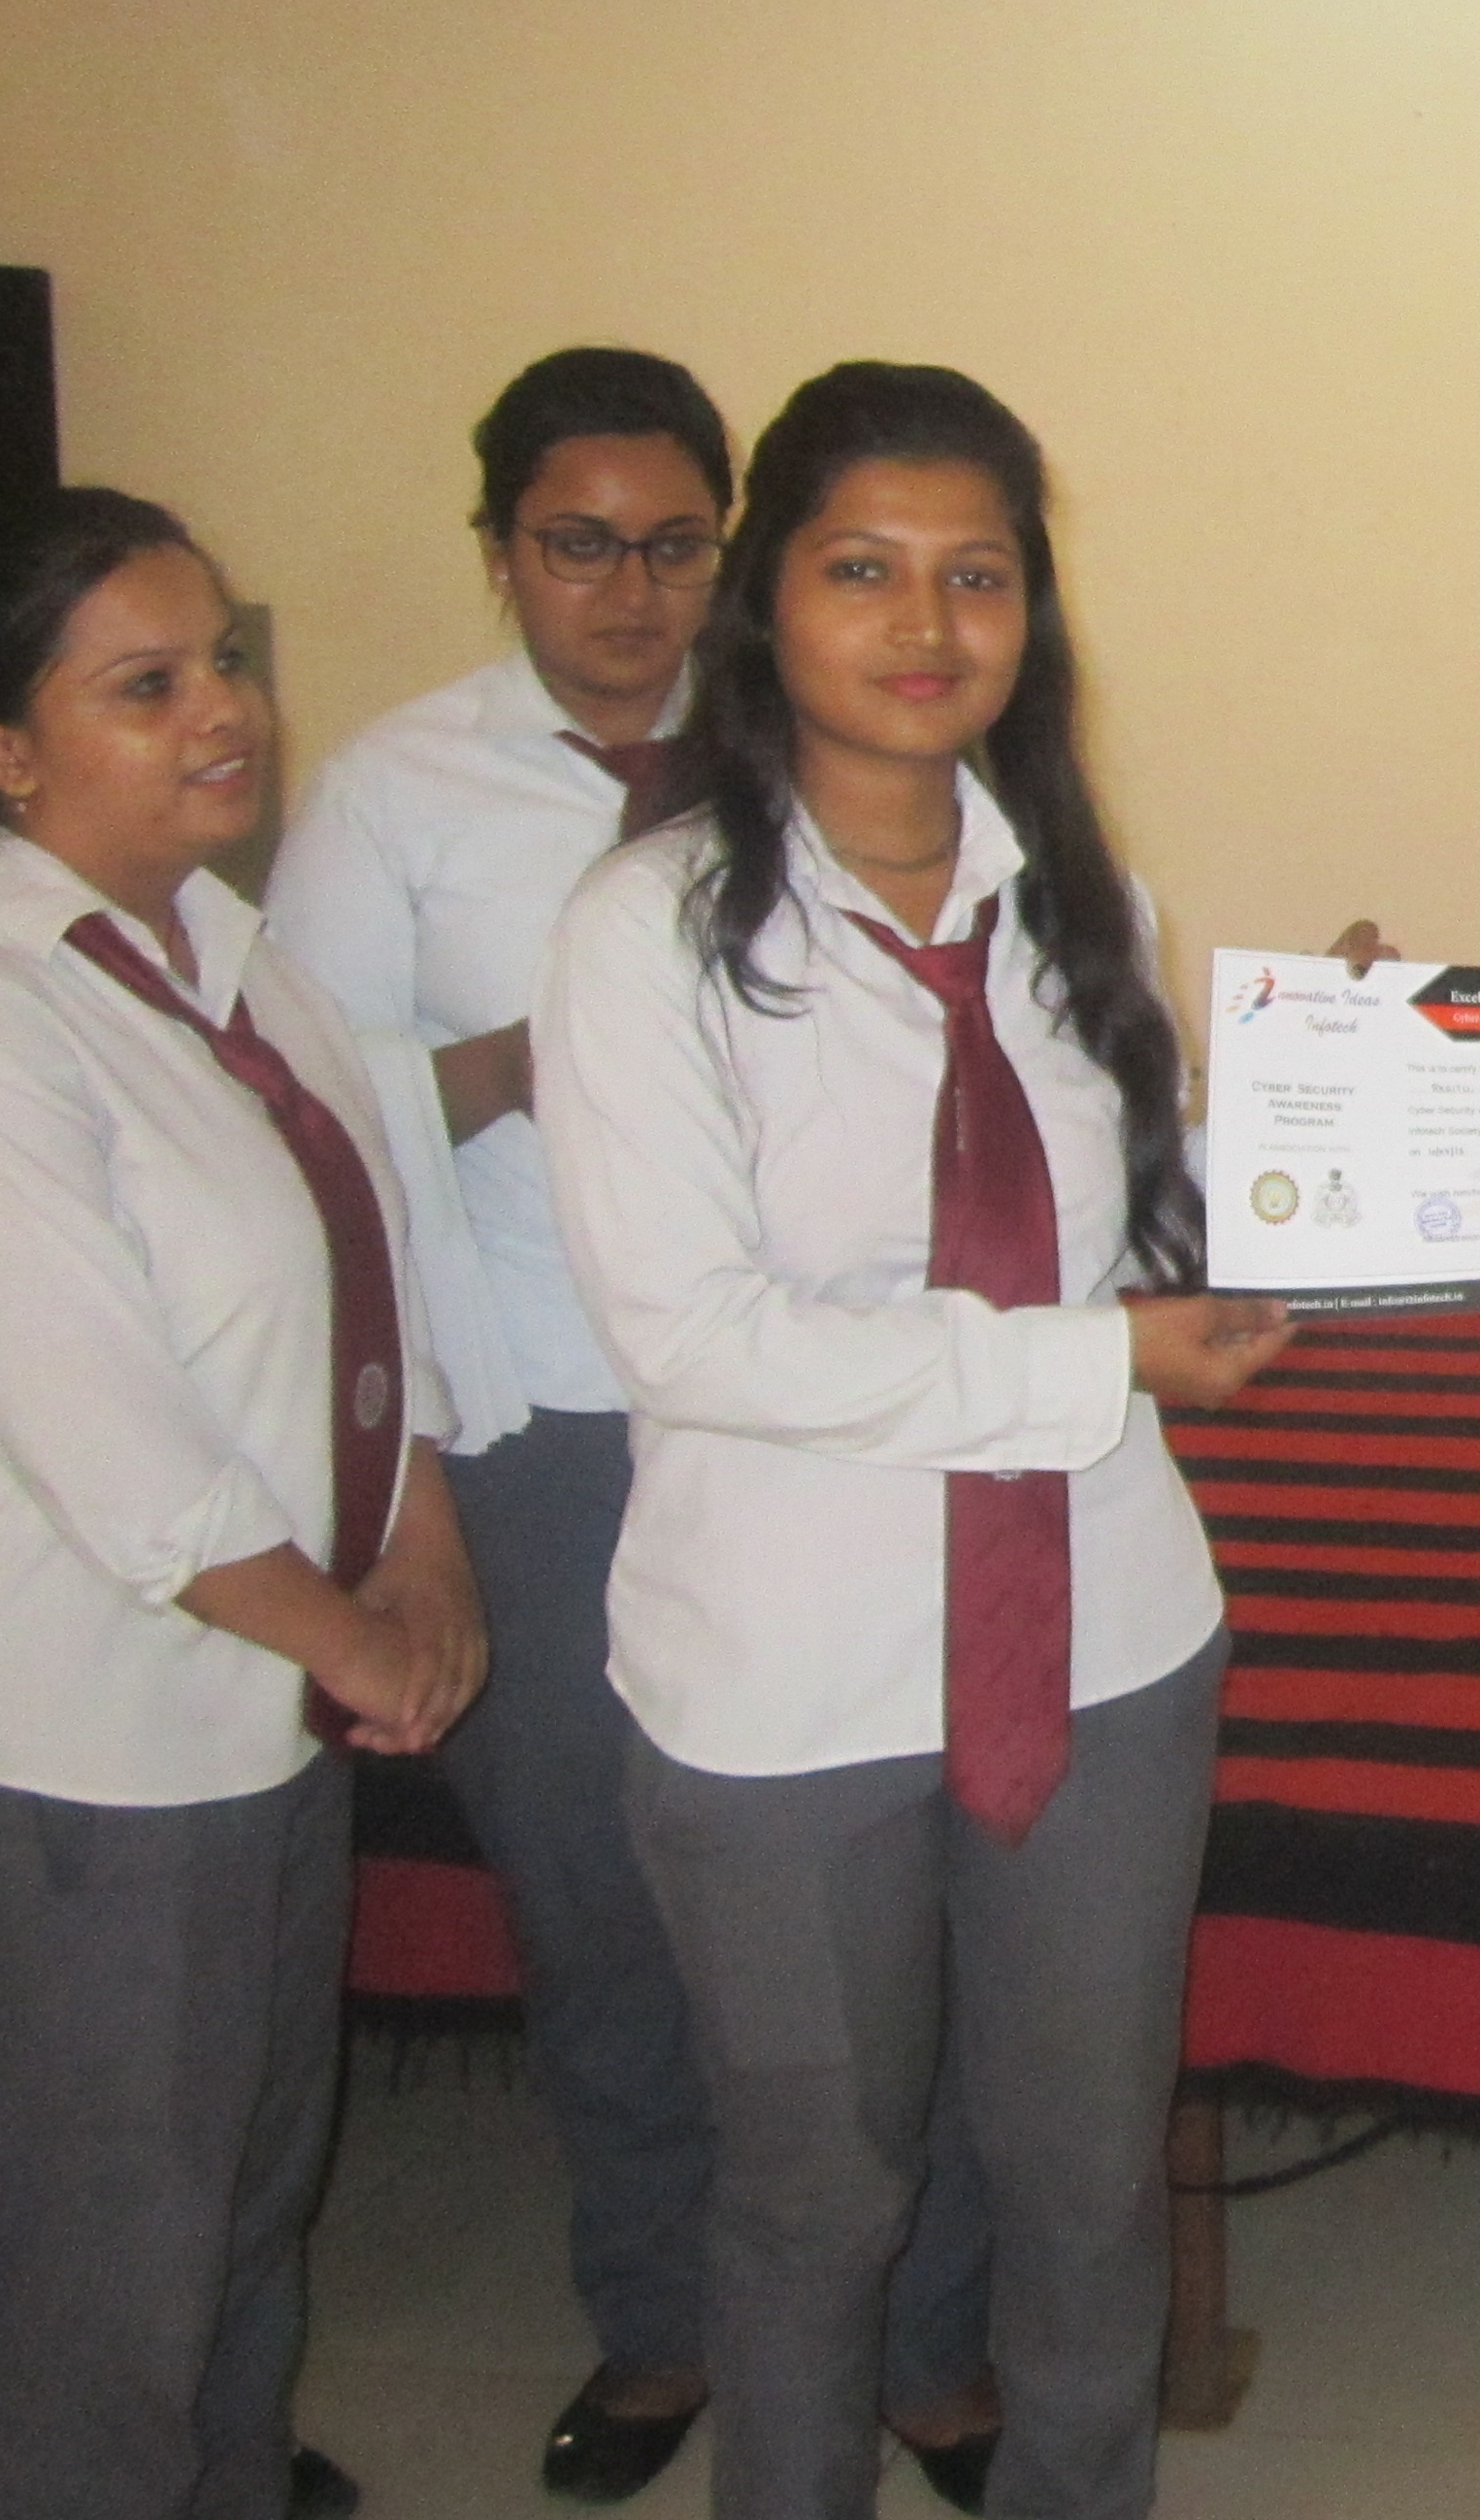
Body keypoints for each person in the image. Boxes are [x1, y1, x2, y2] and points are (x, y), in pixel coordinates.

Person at [532, 363, 1293, 2520]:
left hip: (1107, 1643)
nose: (927, 624)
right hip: (788, 1678)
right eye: (863, 569)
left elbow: (1139, 1228)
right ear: (764, 599)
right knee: (815, 2203)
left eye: (979, 575)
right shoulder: (647, 932)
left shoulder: (1082, 902)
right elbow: (694, 1335)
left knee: (1085, 2187)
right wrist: (1094, 1361)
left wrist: (1338, 1116)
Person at [269, 347, 998, 2505]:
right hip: (550, 1425)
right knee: (601, 1911)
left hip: (820, 1417)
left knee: (899, 1914)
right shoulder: (399, 795)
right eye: (578, 545)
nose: (630, 593)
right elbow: (304, 1125)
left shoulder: (836, 746)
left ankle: (928, 2349)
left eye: (679, 546)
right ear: (498, 549)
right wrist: (545, 1051)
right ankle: (665, 2320)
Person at [0, 486, 486, 2520]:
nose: (226, 713)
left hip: (253, 1711)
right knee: (113, 2282)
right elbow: (111, 1442)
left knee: (241, 2218)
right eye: (147, 685)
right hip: (77, 1750)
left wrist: (424, 1543)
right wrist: (355, 1636)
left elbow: (371, 1289)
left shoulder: (230, 962)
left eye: (227, 662)